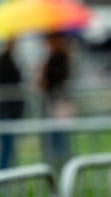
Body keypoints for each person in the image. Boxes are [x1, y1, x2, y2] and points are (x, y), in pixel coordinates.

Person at [39, 32, 72, 171]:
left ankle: (64, 167)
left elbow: (56, 80)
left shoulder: (61, 59)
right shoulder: (54, 58)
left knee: (61, 140)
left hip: (59, 105)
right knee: (54, 141)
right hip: (53, 104)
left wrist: (46, 74)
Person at [0, 38, 24, 169]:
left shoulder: (10, 60)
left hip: (10, 109)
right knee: (5, 146)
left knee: (9, 146)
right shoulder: (3, 62)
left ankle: (6, 173)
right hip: (6, 109)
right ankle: (1, 174)